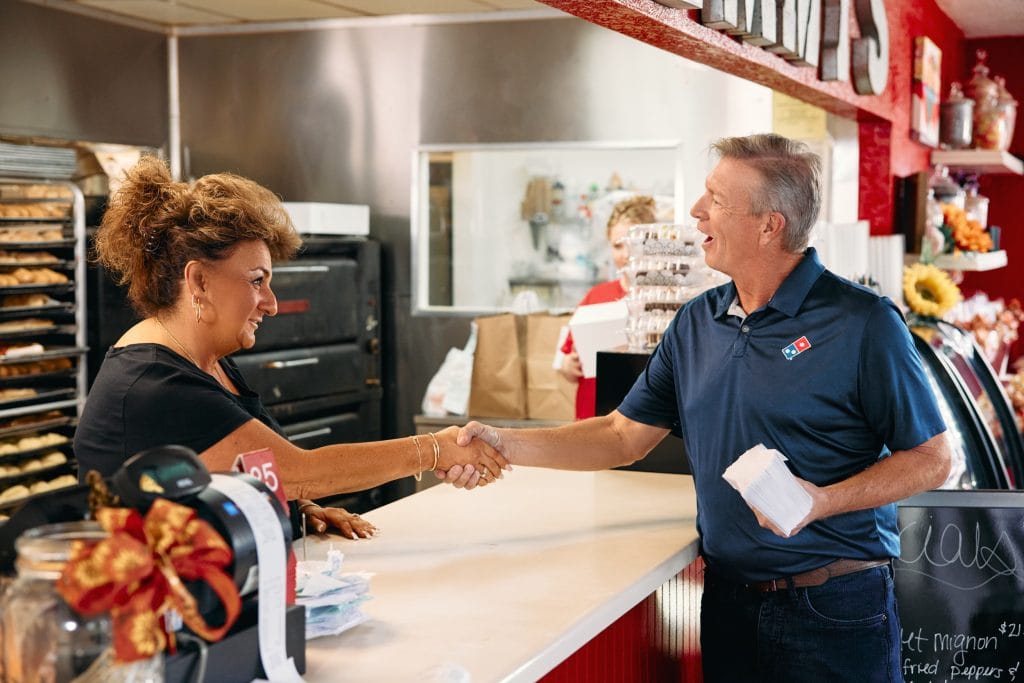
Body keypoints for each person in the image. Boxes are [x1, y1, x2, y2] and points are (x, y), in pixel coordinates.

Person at [448, 134, 953, 682]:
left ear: (769, 225)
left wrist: (820, 501)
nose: (695, 210)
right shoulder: (696, 322)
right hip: (728, 605)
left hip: (834, 610)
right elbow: (621, 435)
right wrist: (505, 442)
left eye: (716, 198)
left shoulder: (863, 322)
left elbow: (932, 458)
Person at [74, 156, 506, 539]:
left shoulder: (205, 364)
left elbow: (244, 474)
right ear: (198, 281)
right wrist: (434, 449)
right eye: (256, 280)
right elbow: (300, 470)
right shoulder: (153, 386)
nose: (272, 304)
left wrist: (299, 511)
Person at [557, 195, 658, 419]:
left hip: (643, 419)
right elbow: (565, 359)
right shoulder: (596, 296)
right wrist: (568, 365)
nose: (625, 254)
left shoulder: (665, 302)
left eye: (633, 244)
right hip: (592, 417)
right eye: (617, 245)